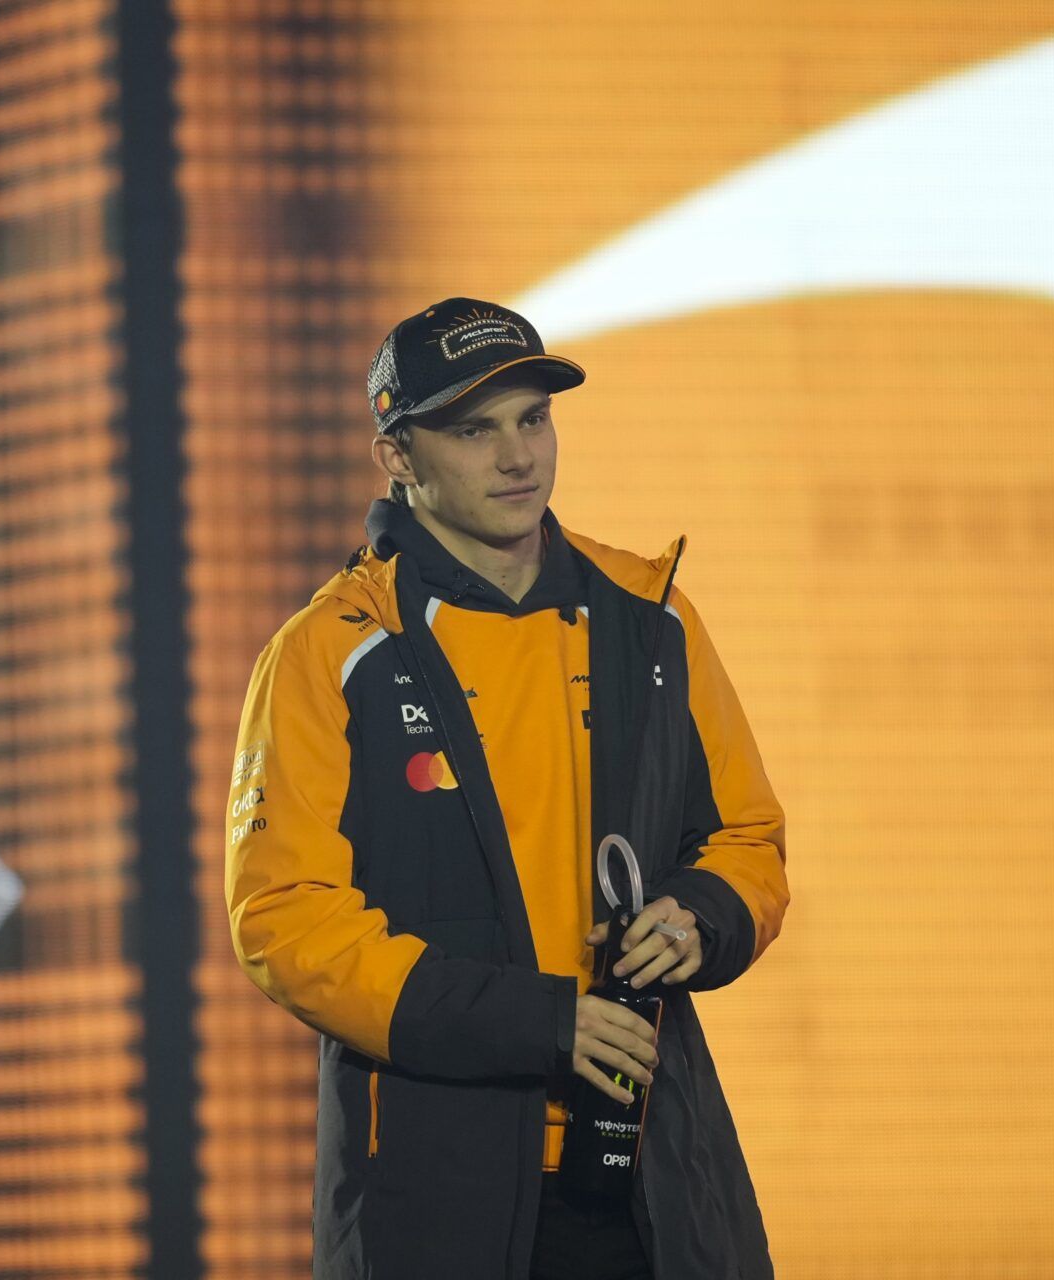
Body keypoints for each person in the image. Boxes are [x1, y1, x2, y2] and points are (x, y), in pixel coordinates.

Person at [224, 298, 789, 1279]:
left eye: (533, 417)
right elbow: (284, 917)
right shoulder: (329, 651)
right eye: (473, 430)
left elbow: (746, 836)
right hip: (434, 1187)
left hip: (654, 1171)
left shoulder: (651, 619)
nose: (518, 456)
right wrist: (538, 1021)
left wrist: (702, 915)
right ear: (398, 456)